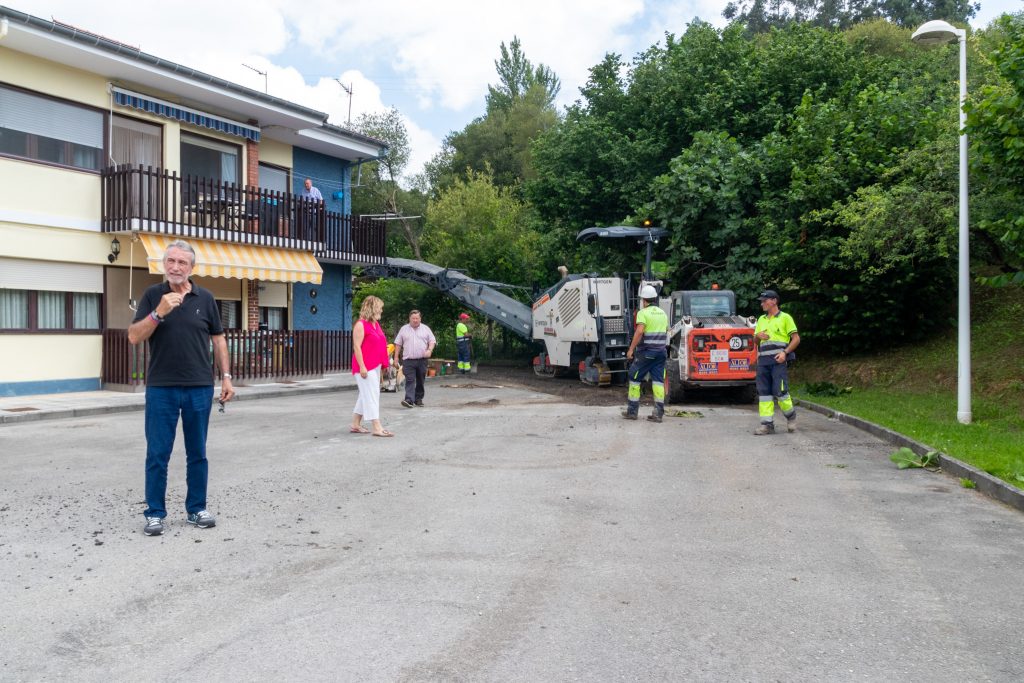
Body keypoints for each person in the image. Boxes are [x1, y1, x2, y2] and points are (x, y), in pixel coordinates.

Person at [127, 239, 235, 536]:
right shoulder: (153, 295)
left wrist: (225, 375)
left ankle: (197, 508)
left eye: (182, 262)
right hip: (162, 387)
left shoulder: (206, 298)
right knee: (158, 452)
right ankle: (155, 513)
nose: (175, 267)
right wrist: (158, 312)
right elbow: (134, 336)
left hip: (199, 386)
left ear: (192, 267)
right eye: (170, 261)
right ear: (164, 264)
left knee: (197, 452)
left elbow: (219, 339)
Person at [753, 289, 801, 435]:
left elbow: (796, 339)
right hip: (763, 362)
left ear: (774, 301)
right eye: (761, 301)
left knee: (780, 392)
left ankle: (791, 417)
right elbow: (755, 341)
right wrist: (758, 336)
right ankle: (767, 425)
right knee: (764, 394)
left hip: (778, 361)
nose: (762, 304)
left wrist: (785, 353)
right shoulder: (761, 319)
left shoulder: (785, 318)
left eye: (764, 301)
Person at [622, 284, 669, 422]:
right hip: (661, 353)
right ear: (654, 298)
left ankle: (632, 412)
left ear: (644, 300)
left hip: (647, 352)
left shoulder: (643, 313)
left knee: (634, 376)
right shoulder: (662, 313)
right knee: (658, 381)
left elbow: (640, 331)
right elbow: (666, 331)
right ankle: (658, 413)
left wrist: (631, 349)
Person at [351, 295, 393, 437]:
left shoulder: (375, 324)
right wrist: (362, 366)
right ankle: (376, 426)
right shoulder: (360, 324)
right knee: (372, 395)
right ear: (373, 308)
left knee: (365, 395)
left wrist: (383, 364)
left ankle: (355, 424)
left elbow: (380, 345)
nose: (381, 310)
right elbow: (356, 347)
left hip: (375, 365)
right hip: (364, 367)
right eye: (380, 307)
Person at [393, 309, 436, 408]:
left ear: (420, 318)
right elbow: (398, 344)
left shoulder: (426, 329)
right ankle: (409, 400)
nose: (415, 320)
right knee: (410, 380)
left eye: (417, 318)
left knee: (421, 380)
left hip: (422, 360)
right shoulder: (404, 329)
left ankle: (418, 399)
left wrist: (429, 350)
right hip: (408, 360)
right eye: (413, 318)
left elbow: (432, 340)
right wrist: (395, 357)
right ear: (409, 319)